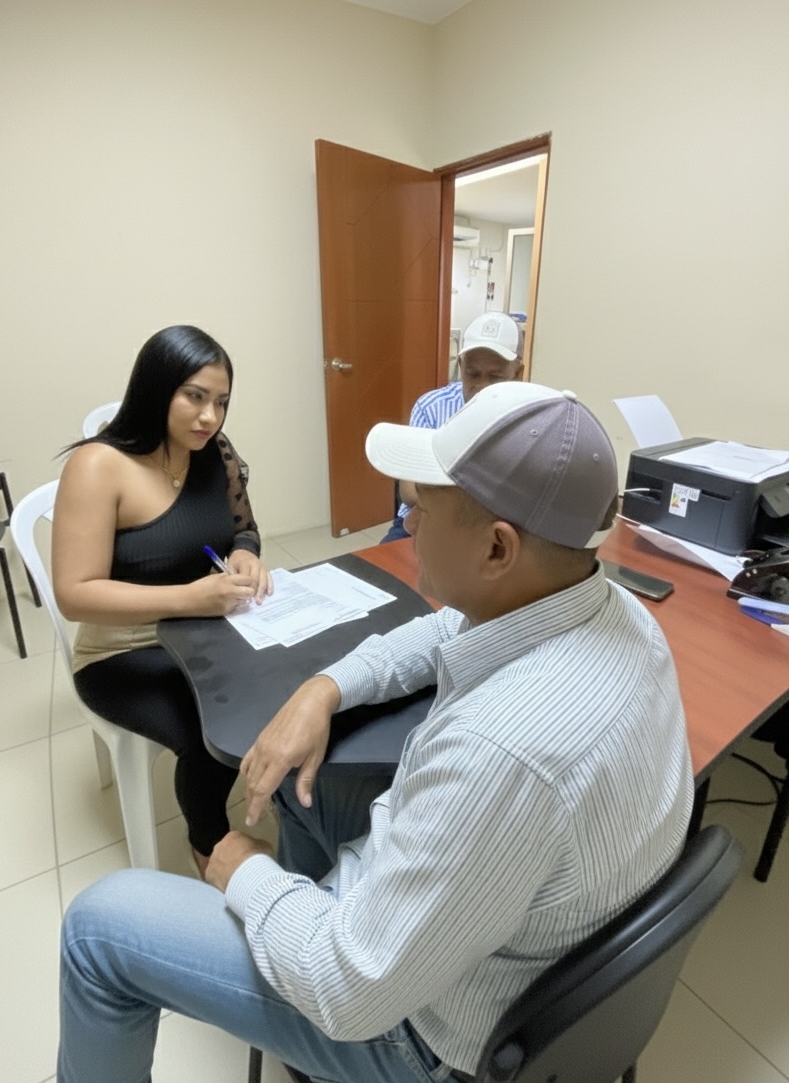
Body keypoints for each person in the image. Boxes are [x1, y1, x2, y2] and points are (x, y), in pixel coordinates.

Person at [57, 381, 694, 1083]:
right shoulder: (616, 609)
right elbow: (443, 629)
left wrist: (248, 875)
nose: (407, 523)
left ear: (497, 548)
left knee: (97, 929)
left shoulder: (500, 755)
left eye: (422, 509)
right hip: (513, 942)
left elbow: (348, 993)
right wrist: (322, 690)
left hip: (421, 1036)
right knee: (291, 780)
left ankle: (303, 945)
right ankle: (307, 930)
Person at [53, 325, 272, 877]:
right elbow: (75, 594)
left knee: (279, 682)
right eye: (195, 396)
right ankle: (209, 847)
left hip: (205, 627)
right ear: (155, 388)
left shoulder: (213, 451)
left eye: (221, 402)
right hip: (122, 648)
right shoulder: (97, 466)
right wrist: (189, 597)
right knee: (208, 730)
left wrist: (245, 555)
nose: (209, 417)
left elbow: (243, 529)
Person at [381, 310, 523, 543]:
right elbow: (409, 491)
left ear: (517, 373)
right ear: (461, 365)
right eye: (472, 374)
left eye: (495, 377)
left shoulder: (531, 417)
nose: (481, 386)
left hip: (491, 529)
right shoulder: (432, 406)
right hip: (422, 519)